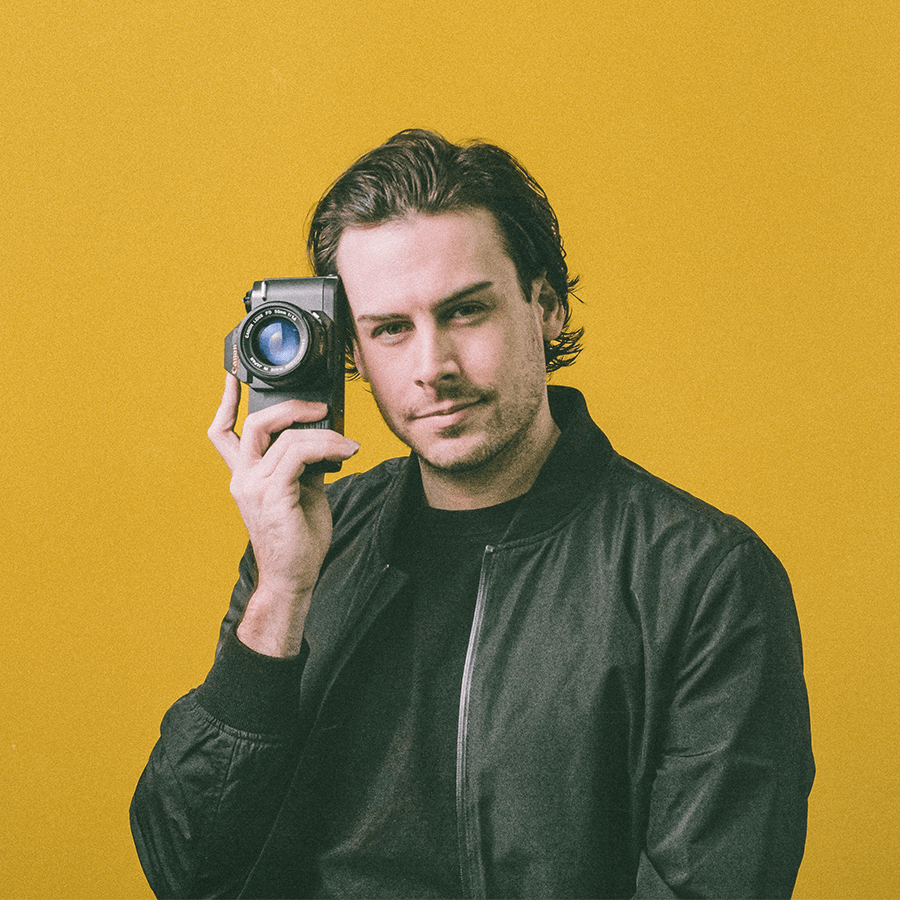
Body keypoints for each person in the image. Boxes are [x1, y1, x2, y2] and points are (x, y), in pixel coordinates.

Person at [130, 129, 814, 899]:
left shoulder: (700, 577)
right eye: (390, 329)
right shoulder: (304, 550)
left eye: (464, 312)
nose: (433, 368)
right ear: (351, 352)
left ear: (545, 305)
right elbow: (183, 869)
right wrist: (283, 593)